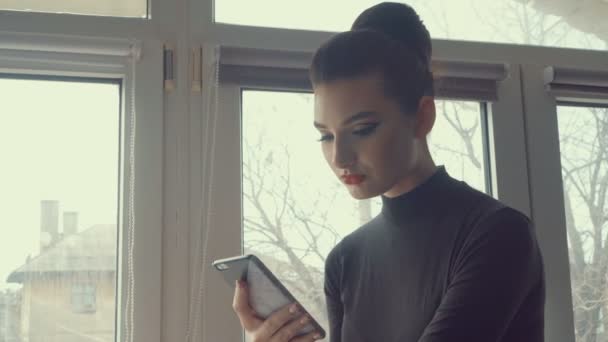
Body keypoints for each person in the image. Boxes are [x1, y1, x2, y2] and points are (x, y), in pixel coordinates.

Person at [232, 3, 545, 342]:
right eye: (326, 135)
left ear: (422, 117)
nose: (339, 156)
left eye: (363, 128)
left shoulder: (497, 234)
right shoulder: (345, 261)